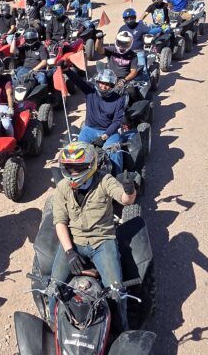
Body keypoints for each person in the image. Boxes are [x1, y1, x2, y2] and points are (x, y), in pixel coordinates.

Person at [49, 141, 137, 329]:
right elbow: (60, 222)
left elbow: (124, 199)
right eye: (68, 167)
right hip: (74, 241)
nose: (72, 172)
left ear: (89, 166)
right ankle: (53, 326)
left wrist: (129, 191)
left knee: (116, 291)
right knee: (53, 288)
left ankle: (121, 329)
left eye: (77, 167)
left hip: (102, 242)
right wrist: (69, 252)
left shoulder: (104, 180)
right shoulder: (63, 187)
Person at [63, 68, 126, 174]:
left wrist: (104, 136)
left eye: (107, 84)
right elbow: (78, 81)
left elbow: (117, 121)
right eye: (101, 83)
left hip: (109, 132)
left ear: (112, 86)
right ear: (97, 82)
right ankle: (79, 178)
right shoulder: (90, 91)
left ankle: (117, 178)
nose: (103, 86)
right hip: (89, 129)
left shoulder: (119, 99)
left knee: (114, 152)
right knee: (78, 152)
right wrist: (66, 69)